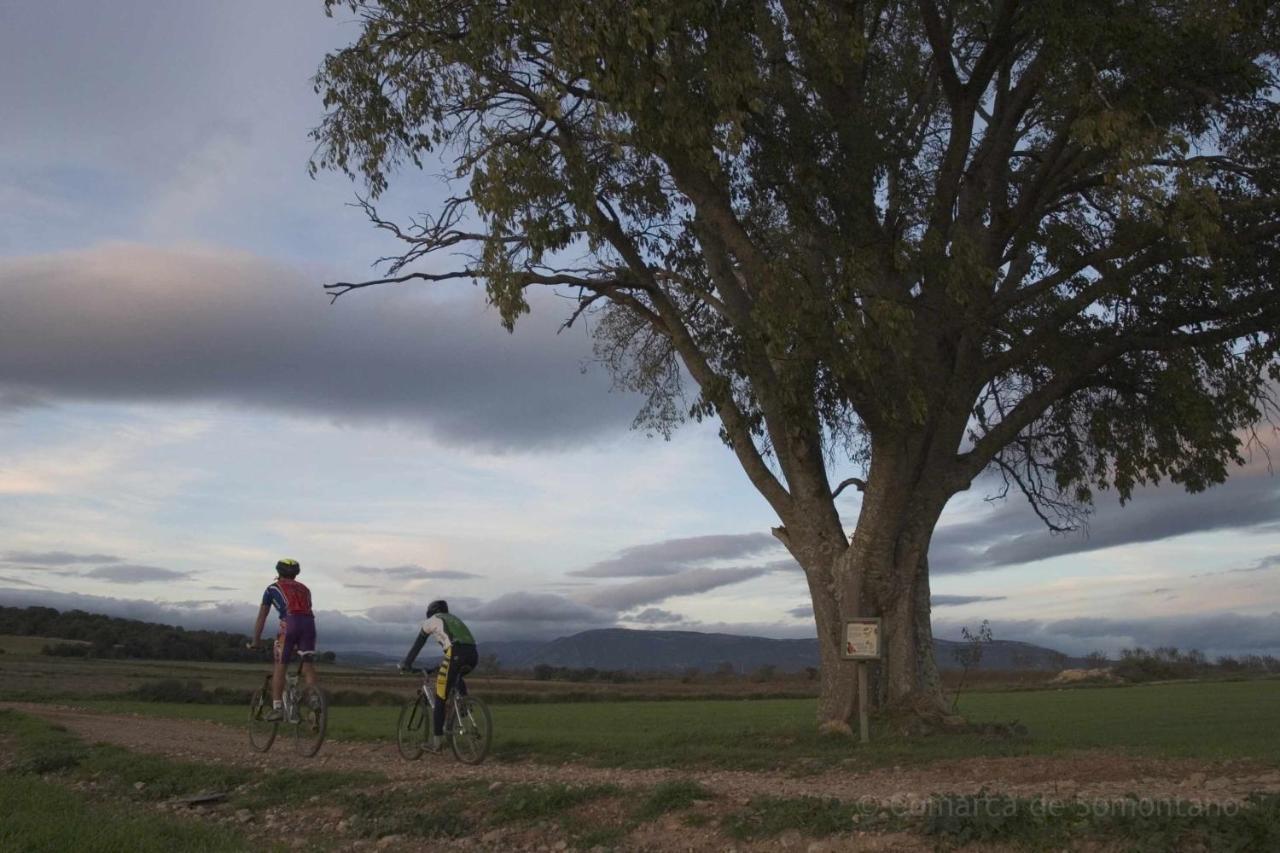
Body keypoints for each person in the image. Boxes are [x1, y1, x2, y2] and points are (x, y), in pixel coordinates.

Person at [398, 599, 478, 752]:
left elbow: (418, 644)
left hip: (456, 653)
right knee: (456, 676)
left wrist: (407, 664)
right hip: (473, 654)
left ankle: (436, 743)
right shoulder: (454, 619)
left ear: (430, 612)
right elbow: (456, 648)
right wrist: (439, 666)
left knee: (440, 697)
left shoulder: (431, 621)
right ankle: (463, 707)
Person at [250, 558, 318, 721]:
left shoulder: (272, 588)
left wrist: (256, 640)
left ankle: (278, 708)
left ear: (278, 572)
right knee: (307, 665)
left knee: (280, 666)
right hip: (309, 624)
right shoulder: (305, 589)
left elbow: (262, 616)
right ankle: (314, 699)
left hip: (289, 623)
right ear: (296, 574)